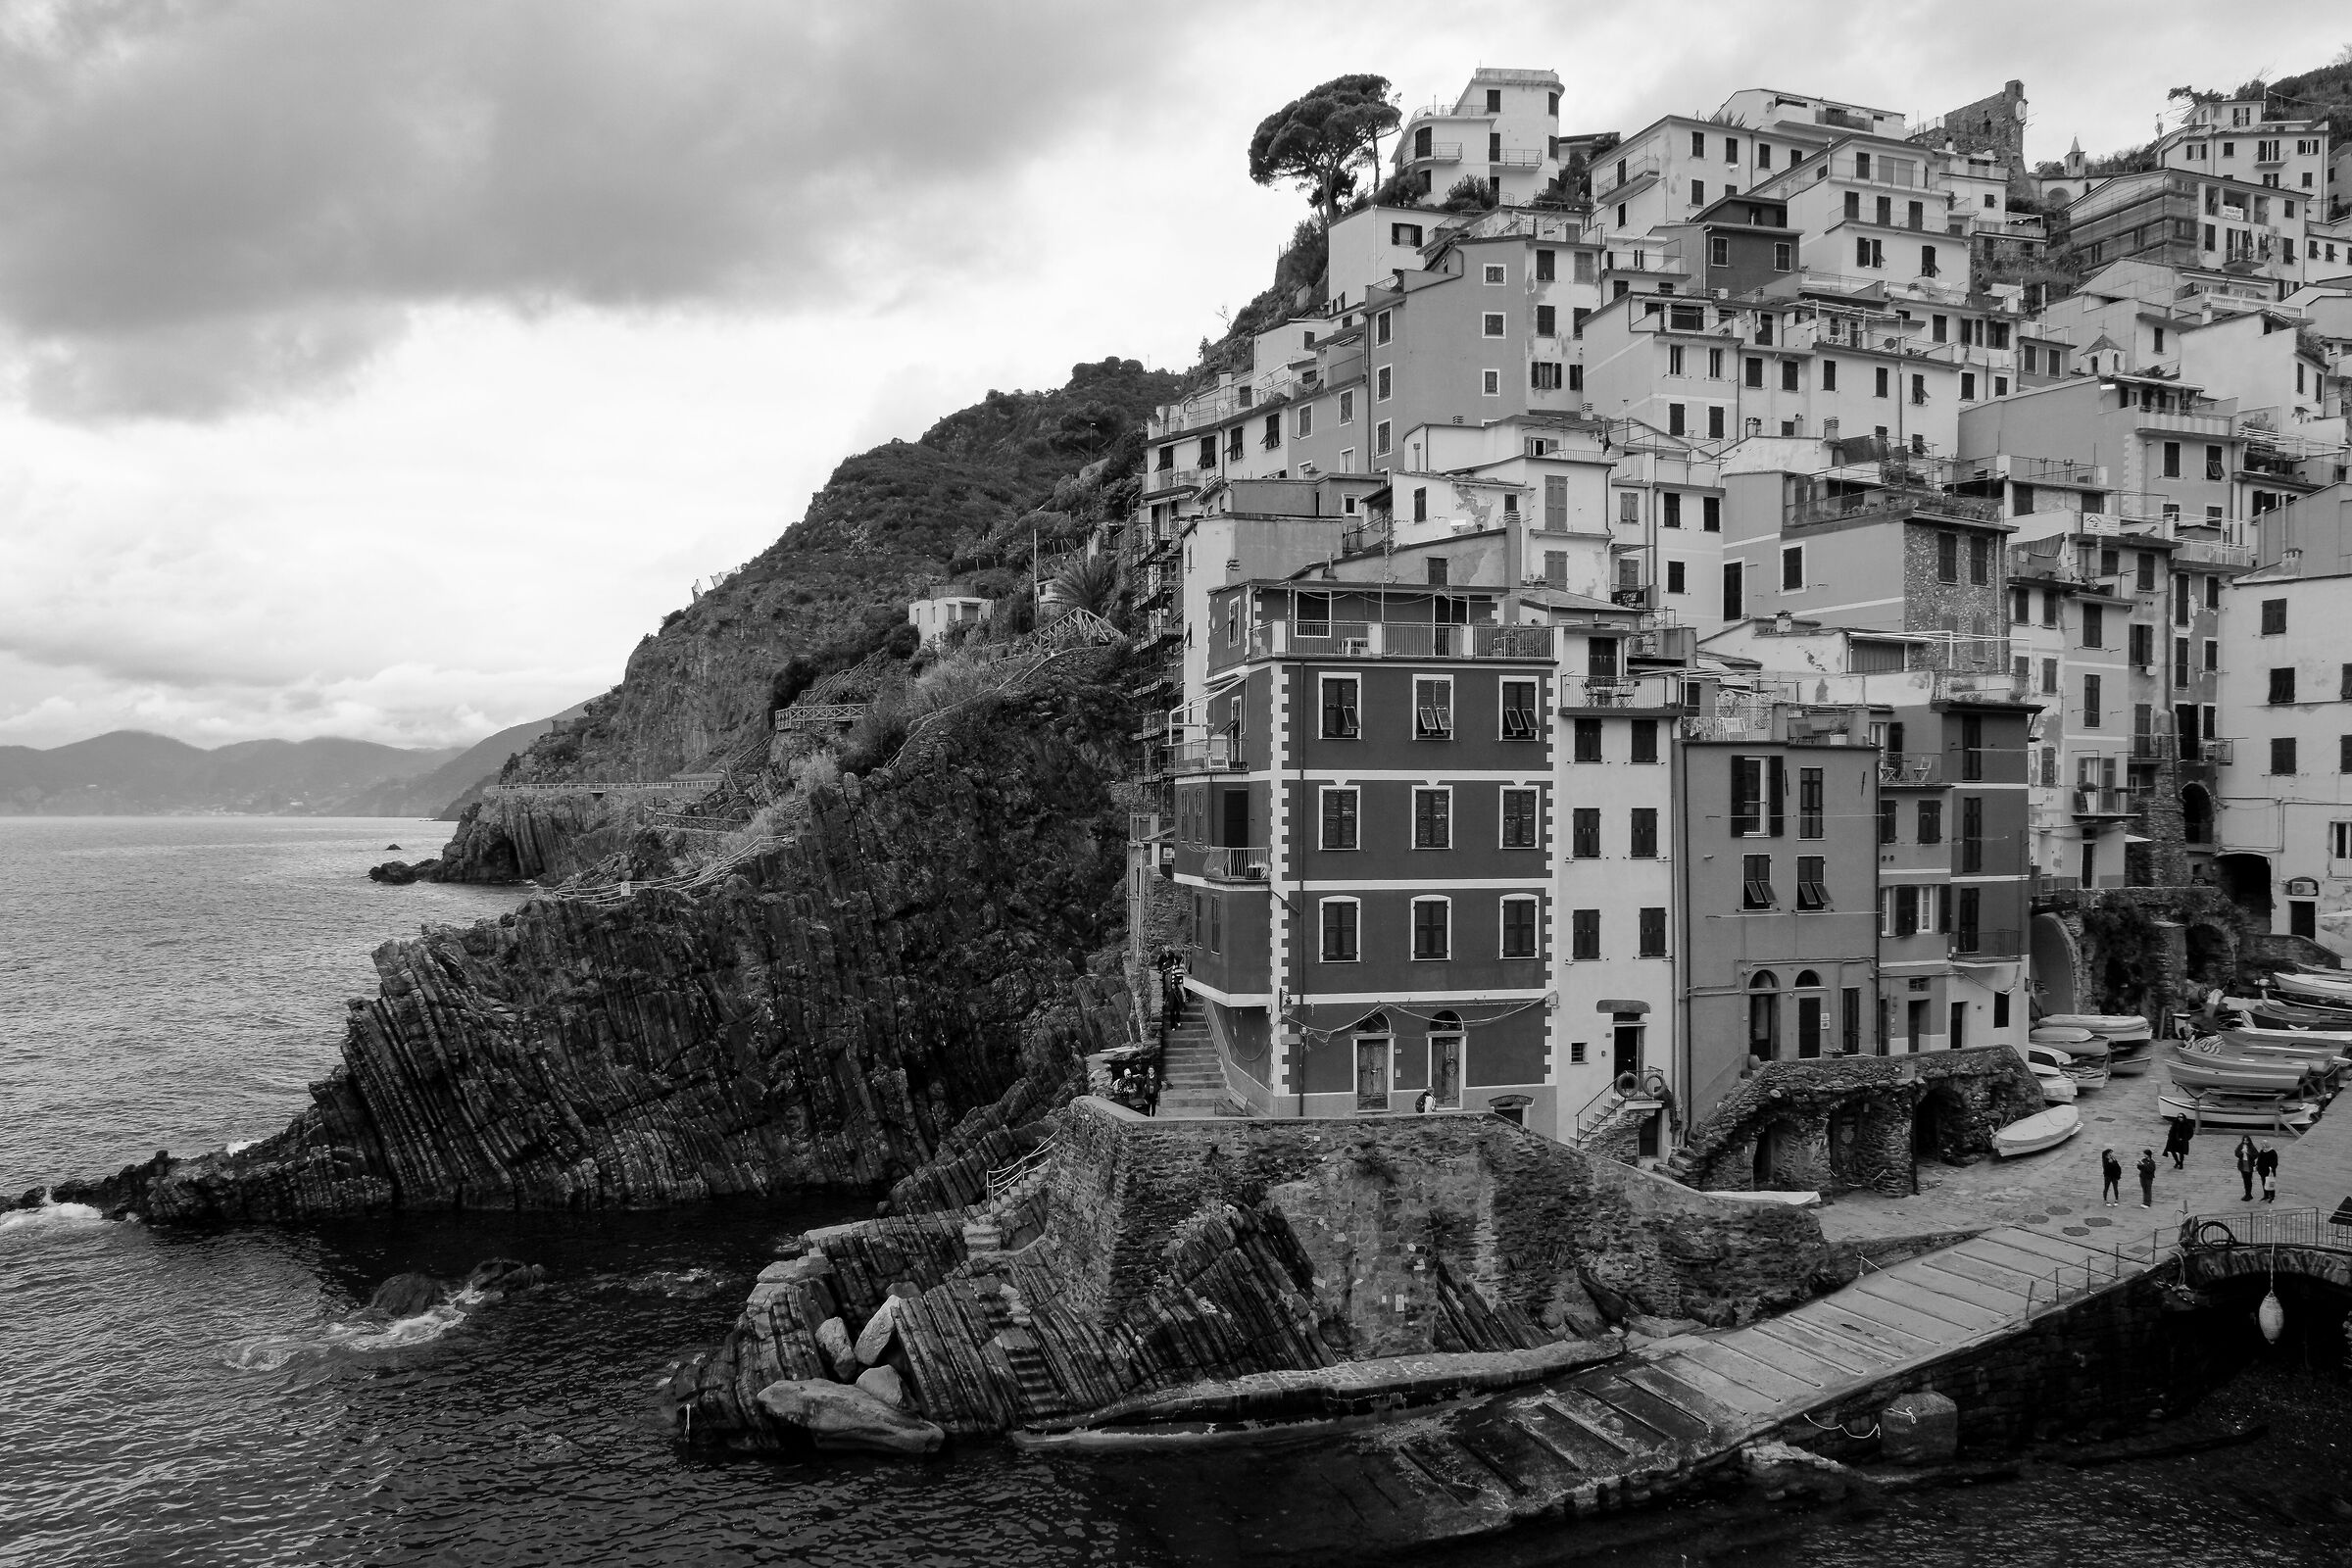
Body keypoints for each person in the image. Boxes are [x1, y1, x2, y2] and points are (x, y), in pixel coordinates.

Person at [2235, 1135, 2258, 1202]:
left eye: (2246, 1140)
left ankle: (2249, 1194)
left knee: (2249, 1180)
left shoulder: (2251, 1147)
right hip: (2243, 1165)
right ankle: (2247, 1194)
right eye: (2244, 1140)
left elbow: (2256, 1155)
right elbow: (2236, 1154)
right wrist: (2241, 1152)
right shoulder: (2240, 1146)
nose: (2245, 1142)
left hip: (2249, 1165)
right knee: (2245, 1180)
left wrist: (2248, 1153)